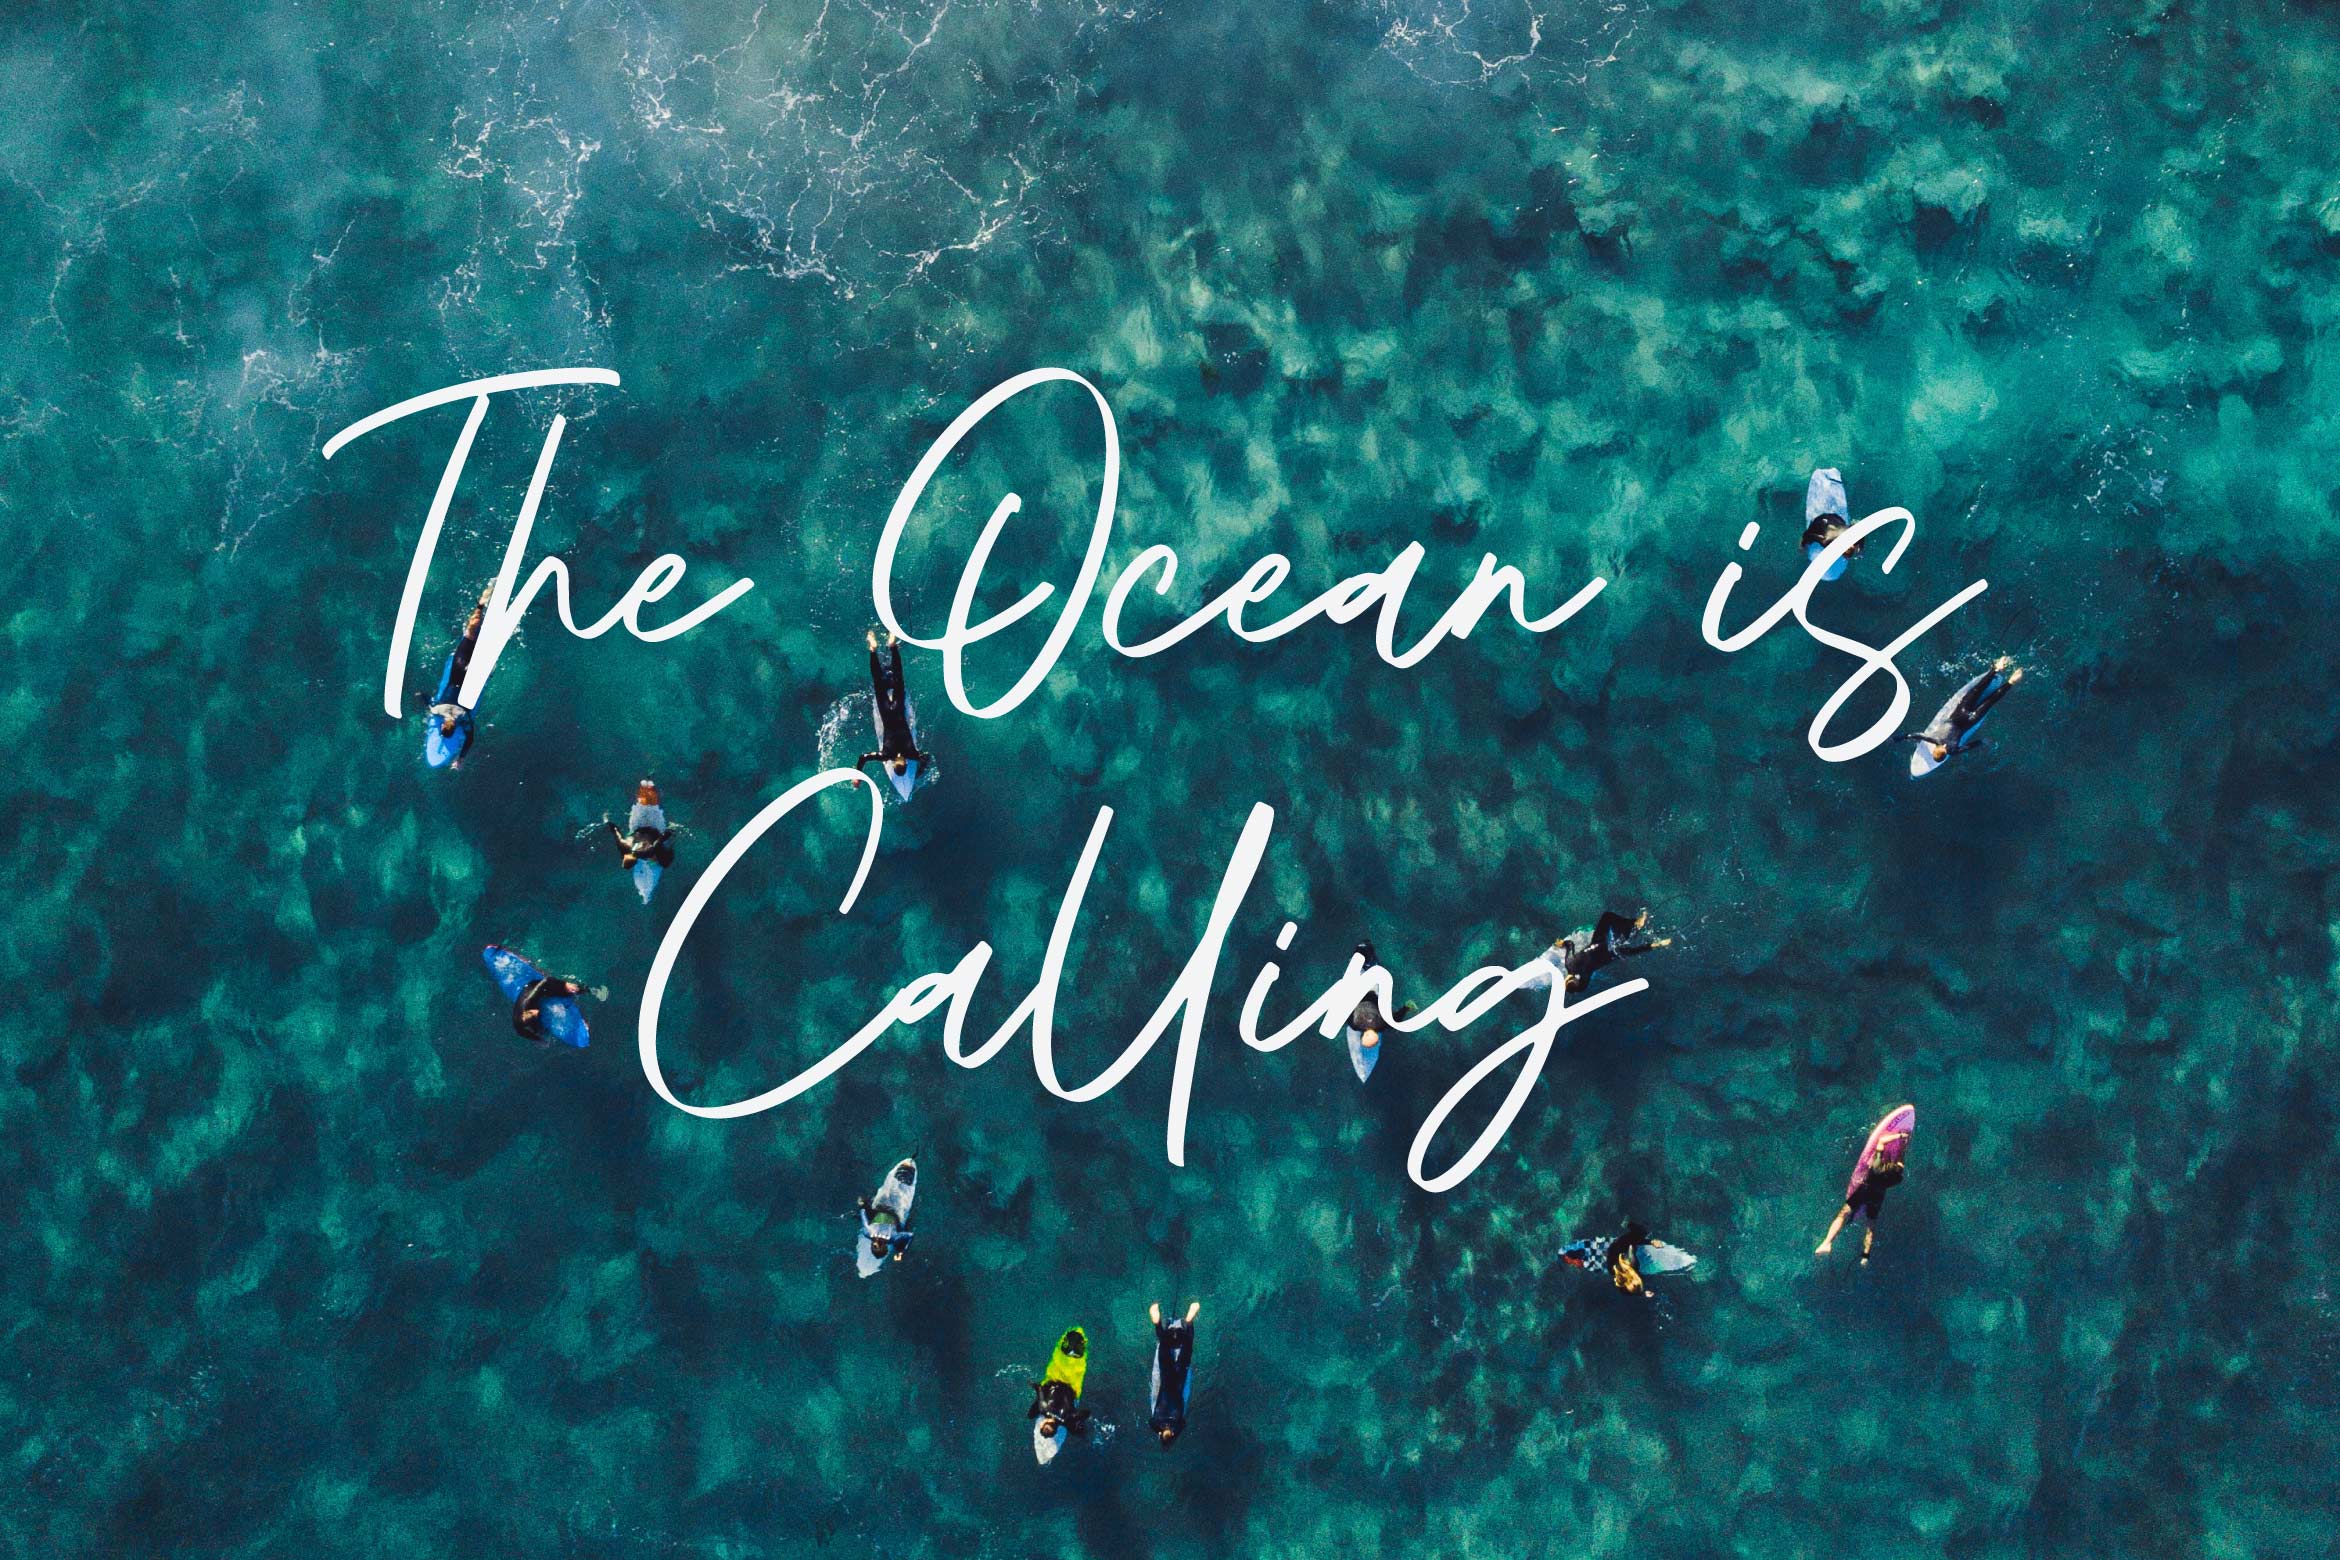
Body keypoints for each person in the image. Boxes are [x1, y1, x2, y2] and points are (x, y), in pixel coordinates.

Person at [1906, 657, 2023, 767]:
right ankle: (1996, 669)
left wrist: (1982, 741)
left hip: (1971, 720)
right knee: (1976, 690)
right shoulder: (1935, 740)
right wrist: (1903, 737)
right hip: (1960, 713)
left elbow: (1969, 746)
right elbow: (1917, 735)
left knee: (1990, 701)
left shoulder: (1953, 751)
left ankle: (2011, 681)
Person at [1526, 909, 1672, 995]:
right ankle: (1635, 923)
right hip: (1599, 942)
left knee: (1631, 950)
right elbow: (1570, 944)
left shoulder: (1585, 980)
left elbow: (1580, 988)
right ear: (1567, 980)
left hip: (1609, 955)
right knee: (1607, 916)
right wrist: (1561, 944)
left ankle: (1658, 943)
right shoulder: (1570, 964)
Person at [1818, 1131, 1909, 1262]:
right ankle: (1865, 1256)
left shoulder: (1876, 1167)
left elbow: (1882, 1140)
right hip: (1876, 1198)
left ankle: (1827, 1243)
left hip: (1864, 1191)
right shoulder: (1897, 1178)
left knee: (1843, 1214)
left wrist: (1900, 1136)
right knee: (1870, 1227)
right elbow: (1900, 1162)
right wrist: (1903, 1145)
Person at [855, 629, 933, 780]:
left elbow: (927, 757)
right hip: (886, 711)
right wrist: (857, 777)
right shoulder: (886, 755)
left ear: (905, 762)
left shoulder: (912, 753)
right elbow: (863, 757)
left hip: (898, 708)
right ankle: (873, 650)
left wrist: (921, 769)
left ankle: (893, 646)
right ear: (893, 763)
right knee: (878, 680)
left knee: (898, 677)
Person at [428, 584, 494, 761]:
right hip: (458, 669)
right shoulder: (439, 710)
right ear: (444, 724)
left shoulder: (464, 718)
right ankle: (481, 604)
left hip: (470, 678)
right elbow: (426, 700)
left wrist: (460, 759)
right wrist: (420, 697)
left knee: (484, 650)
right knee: (471, 632)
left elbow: (470, 738)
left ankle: (487, 614)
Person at [1348, 941, 1418, 1057]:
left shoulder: (1381, 1025)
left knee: (1370, 967)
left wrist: (1407, 1007)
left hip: (1369, 990)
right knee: (1363, 966)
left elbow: (1396, 1019)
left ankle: (1366, 953)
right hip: (1363, 991)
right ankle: (1363, 951)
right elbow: (1344, 1008)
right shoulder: (1355, 1025)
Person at [1560, 1219, 1658, 1299]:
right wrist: (1642, 1293)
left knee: (1592, 1252)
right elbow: (1626, 1291)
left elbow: (1626, 1290)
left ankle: (1578, 1255)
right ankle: (1579, 1255)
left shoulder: (1631, 1267)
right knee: (1592, 1254)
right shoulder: (1626, 1273)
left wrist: (1647, 1242)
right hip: (1607, 1258)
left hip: (1608, 1256)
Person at [1148, 1300, 1200, 1447]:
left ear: (1172, 1435)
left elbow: (1183, 1424)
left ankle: (1189, 1321)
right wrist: (1160, 1431)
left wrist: (1173, 1432)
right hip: (1166, 1380)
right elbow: (1151, 1423)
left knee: (1187, 1350)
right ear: (1161, 1435)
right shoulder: (1156, 1422)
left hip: (1178, 1381)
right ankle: (1157, 1323)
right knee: (1164, 1348)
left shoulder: (1177, 1423)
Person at [1028, 1331, 1093, 1441]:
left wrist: (1078, 1428)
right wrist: (1031, 1384)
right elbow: (1039, 1388)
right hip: (1055, 1378)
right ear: (1043, 1423)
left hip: (1072, 1385)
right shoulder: (1043, 1408)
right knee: (1060, 1357)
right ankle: (1069, 1346)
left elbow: (1086, 1413)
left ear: (1056, 1430)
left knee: (1078, 1364)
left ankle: (1078, 1349)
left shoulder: (1067, 1420)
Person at [606, 779, 676, 870]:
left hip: (652, 827)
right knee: (643, 803)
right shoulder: (624, 847)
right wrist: (607, 821)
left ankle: (649, 785)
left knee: (653, 805)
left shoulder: (644, 853)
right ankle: (647, 783)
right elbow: (616, 832)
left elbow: (657, 844)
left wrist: (667, 834)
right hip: (639, 825)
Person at [511, 968, 587, 1047]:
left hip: (537, 987)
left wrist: (565, 985)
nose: (537, 1011)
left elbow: (547, 980)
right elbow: (521, 1032)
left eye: (535, 1013)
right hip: (530, 1008)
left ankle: (586, 989)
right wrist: (538, 1040)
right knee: (538, 1030)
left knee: (569, 992)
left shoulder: (530, 999)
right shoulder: (518, 1023)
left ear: (528, 1011)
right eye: (536, 1014)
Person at [856, 1191, 916, 1263]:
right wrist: (862, 1206)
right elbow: (863, 1212)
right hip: (879, 1208)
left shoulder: (893, 1238)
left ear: (886, 1247)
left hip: (893, 1212)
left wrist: (901, 1252)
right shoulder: (866, 1233)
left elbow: (910, 1235)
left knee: (900, 1243)